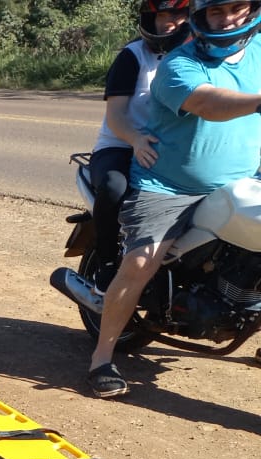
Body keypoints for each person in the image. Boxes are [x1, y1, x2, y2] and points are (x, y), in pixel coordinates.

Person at [87, 0, 261, 398]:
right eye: (217, 12)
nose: (228, 19)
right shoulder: (177, 64)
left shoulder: (258, 51)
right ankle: (102, 357)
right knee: (141, 262)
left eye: (236, 8)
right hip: (170, 185)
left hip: (242, 178)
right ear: (201, 18)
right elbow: (209, 104)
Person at [88, 0, 192, 295]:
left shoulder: (195, 57)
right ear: (150, 19)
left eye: (178, 14)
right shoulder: (132, 56)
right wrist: (135, 140)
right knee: (113, 186)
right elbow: (116, 115)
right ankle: (106, 262)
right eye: (163, 15)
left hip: (170, 149)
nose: (170, 22)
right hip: (120, 145)